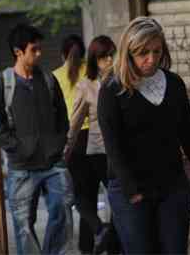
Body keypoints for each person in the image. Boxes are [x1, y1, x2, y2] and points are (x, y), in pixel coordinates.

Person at [97, 17, 190, 255]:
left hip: (172, 186)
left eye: (156, 51)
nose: (151, 59)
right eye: (143, 53)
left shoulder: (174, 84)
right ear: (129, 52)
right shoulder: (113, 89)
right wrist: (132, 190)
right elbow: (113, 146)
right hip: (130, 190)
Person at [0, 23, 73, 255]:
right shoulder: (2, 82)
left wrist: (57, 145)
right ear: (18, 52)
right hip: (21, 169)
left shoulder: (48, 80)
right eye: (34, 50)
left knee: (63, 211)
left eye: (39, 49)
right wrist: (17, 149)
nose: (39, 54)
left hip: (53, 164)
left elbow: (62, 117)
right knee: (23, 227)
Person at [64, 35, 121, 255]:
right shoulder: (86, 86)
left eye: (111, 55)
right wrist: (66, 148)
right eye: (104, 57)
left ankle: (111, 241)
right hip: (91, 150)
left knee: (118, 199)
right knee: (83, 198)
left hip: (115, 152)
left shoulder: (121, 81)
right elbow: (76, 121)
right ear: (94, 60)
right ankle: (99, 235)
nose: (109, 60)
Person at [53, 34, 93, 254]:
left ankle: (92, 238)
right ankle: (105, 241)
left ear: (62, 54)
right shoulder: (93, 71)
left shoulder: (55, 76)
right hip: (97, 139)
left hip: (73, 141)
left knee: (81, 196)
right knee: (101, 193)